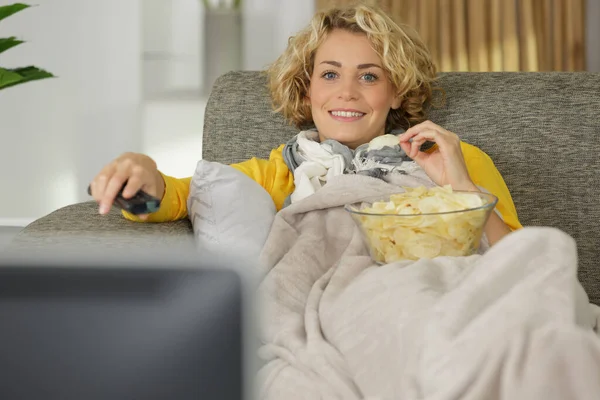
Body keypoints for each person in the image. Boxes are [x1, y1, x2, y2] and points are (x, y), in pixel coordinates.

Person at [89, 3, 521, 246]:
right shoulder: (279, 171)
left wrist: (461, 188)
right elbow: (179, 197)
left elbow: (520, 263)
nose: (346, 91)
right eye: (330, 74)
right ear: (307, 88)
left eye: (369, 75)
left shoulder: (452, 156)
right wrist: (139, 167)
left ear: (396, 91)